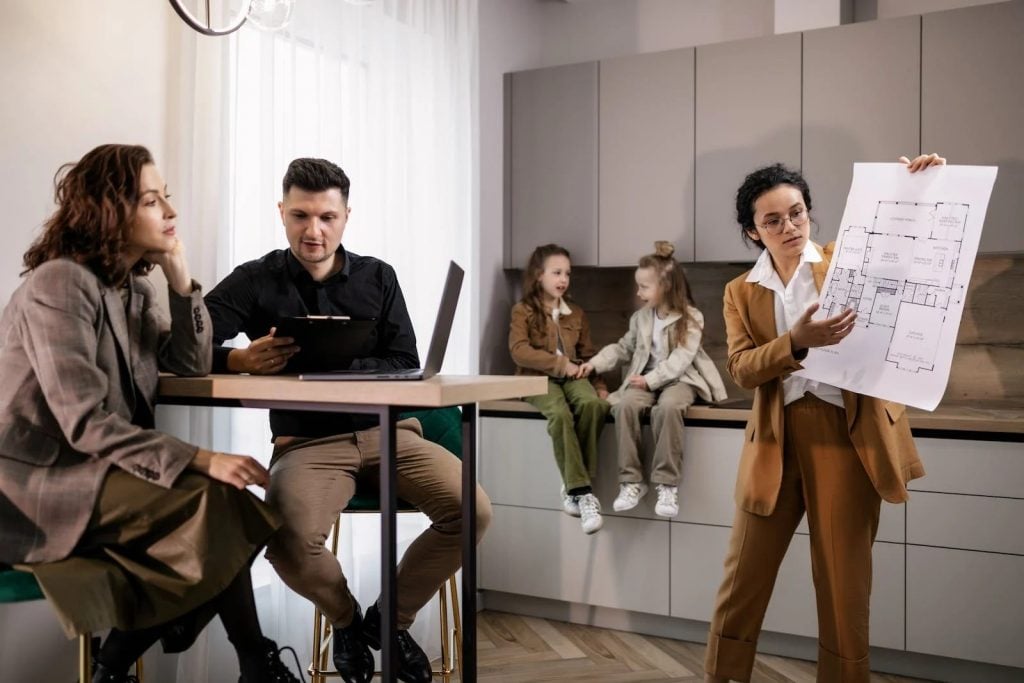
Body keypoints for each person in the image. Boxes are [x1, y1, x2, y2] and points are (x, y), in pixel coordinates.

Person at [0, 144, 299, 683]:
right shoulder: (60, 283)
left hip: (97, 471)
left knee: (232, 503)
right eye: (151, 201)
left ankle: (136, 662)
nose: (170, 212)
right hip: (39, 486)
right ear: (109, 210)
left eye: (167, 199)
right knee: (225, 503)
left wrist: (180, 281)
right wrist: (202, 458)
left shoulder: (131, 289)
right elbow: (84, 422)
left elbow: (185, 361)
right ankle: (237, 655)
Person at [204, 157, 492, 683]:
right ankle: (348, 619)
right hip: (307, 445)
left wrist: (334, 365)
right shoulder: (255, 280)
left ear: (346, 216)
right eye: (300, 216)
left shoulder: (378, 276)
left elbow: (406, 360)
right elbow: (186, 345)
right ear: (281, 213)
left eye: (327, 217)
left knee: (472, 510)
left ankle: (389, 622)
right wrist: (238, 359)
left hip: (391, 434)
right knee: (288, 545)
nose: (313, 231)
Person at [703, 153, 944, 683]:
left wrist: (920, 187)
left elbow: (911, 249)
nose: (788, 226)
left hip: (845, 437)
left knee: (843, 587)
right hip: (774, 441)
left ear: (809, 212)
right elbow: (742, 369)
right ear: (752, 231)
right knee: (741, 583)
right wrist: (794, 344)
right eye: (772, 220)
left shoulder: (848, 260)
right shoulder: (740, 292)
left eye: (797, 213)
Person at [580, 241, 727, 518]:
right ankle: (631, 481)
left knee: (668, 408)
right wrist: (594, 364)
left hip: (680, 380)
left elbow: (681, 359)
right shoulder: (641, 318)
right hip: (643, 379)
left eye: (644, 287)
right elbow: (623, 349)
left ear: (666, 286)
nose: (639, 292)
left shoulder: (692, 317)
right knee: (623, 406)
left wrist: (651, 381)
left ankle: (667, 483)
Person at [508, 244, 610, 534]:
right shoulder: (523, 310)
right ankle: (582, 492)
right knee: (560, 414)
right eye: (557, 272)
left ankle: (573, 484)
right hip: (534, 379)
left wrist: (600, 385)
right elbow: (518, 351)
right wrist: (559, 364)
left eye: (567, 273)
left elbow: (588, 353)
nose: (563, 278)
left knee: (595, 406)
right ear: (539, 275)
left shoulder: (575, 313)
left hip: (575, 377)